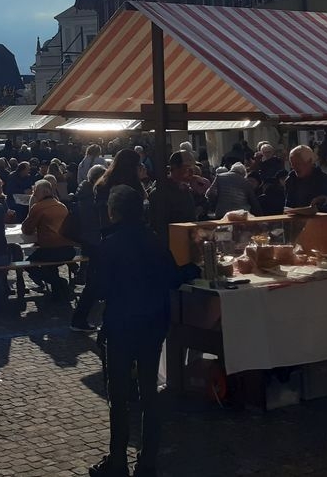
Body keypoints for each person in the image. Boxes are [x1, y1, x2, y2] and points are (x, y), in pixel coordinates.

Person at [89, 186, 198, 477]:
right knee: (150, 393)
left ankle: (117, 460)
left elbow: (98, 289)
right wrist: (194, 267)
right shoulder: (154, 241)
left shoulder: (108, 245)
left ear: (115, 211)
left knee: (119, 394)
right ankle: (147, 460)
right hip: (152, 323)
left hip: (122, 325)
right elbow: (173, 278)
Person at [21, 179, 75, 300]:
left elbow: (27, 229)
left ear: (44, 192)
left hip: (51, 249)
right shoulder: (62, 206)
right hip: (69, 250)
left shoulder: (38, 207)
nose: (33, 194)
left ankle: (60, 283)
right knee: (49, 266)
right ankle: (58, 293)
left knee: (28, 264)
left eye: (35, 191)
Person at [71, 163, 108, 332]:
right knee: (93, 284)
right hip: (95, 241)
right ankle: (80, 319)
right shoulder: (91, 197)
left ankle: (82, 318)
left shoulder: (84, 193)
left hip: (90, 240)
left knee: (94, 282)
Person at [284, 145, 327, 236]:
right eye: (292, 164)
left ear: (310, 162)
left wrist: (323, 204)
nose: (295, 168)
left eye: (298, 164)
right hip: (298, 232)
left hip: (322, 232)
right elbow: (288, 206)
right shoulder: (290, 181)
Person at [147, 152, 199, 245]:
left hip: (187, 244)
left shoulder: (186, 190)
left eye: (193, 168)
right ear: (174, 168)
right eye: (187, 168)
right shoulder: (160, 192)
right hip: (172, 247)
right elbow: (159, 227)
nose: (192, 172)